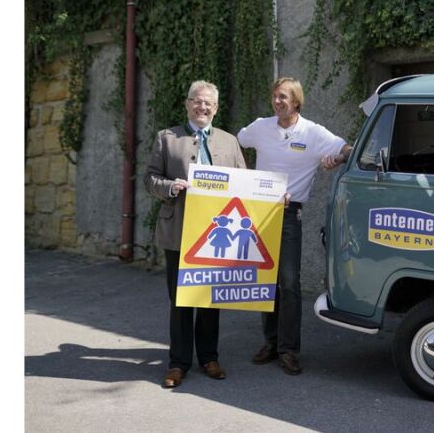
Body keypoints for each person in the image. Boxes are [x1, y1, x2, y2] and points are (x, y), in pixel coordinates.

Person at [238, 77, 351, 375]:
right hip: (258, 213)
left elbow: (349, 149)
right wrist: (244, 178)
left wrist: (337, 159)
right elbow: (236, 143)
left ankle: (289, 350)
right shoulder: (261, 127)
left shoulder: (313, 133)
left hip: (290, 215)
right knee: (264, 281)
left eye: (284, 97)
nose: (277, 102)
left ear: (297, 102)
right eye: (275, 96)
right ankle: (271, 342)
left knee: (288, 282)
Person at [144, 80, 247, 388]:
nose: (203, 107)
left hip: (217, 234)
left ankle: (209, 358)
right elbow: (149, 178)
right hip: (178, 229)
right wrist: (169, 187)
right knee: (181, 300)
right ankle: (178, 363)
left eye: (209, 104)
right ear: (187, 103)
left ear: (216, 109)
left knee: (210, 298)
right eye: (197, 101)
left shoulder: (229, 142)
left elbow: (245, 182)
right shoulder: (167, 138)